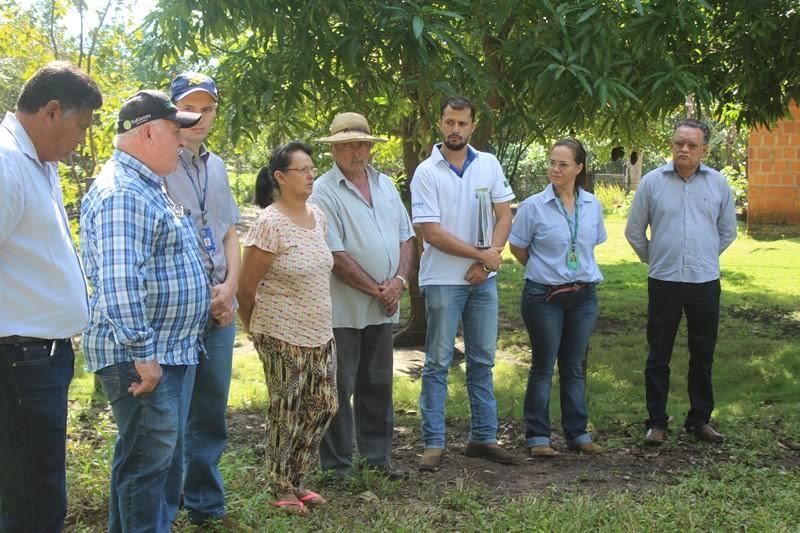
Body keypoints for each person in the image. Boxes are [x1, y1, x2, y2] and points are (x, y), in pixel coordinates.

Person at [80, 90, 210, 532]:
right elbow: (119, 281)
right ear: (150, 131)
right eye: (176, 132)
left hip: (163, 352)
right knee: (148, 470)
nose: (181, 142)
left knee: (147, 464)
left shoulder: (144, 185)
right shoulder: (123, 193)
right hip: (141, 358)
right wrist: (143, 353)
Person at [0, 61, 102, 533]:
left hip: (41, 357)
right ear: (52, 111)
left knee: (36, 491)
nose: (82, 139)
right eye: (81, 125)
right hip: (19, 359)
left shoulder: (39, 162)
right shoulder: (5, 163)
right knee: (34, 504)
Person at [410, 95, 516, 471]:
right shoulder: (426, 172)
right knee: (437, 363)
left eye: (462, 123)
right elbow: (432, 234)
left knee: (482, 362)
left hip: (482, 281)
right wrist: (480, 255)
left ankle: (484, 437)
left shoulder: (488, 163)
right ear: (440, 123)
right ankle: (433, 444)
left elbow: (505, 215)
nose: (455, 129)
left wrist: (488, 262)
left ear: (473, 125)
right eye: (449, 122)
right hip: (442, 280)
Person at [310, 112, 415, 479]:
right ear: (335, 149)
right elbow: (335, 255)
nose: (356, 151)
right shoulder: (322, 191)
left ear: (370, 146)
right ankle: (337, 466)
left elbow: (406, 237)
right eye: (348, 144)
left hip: (383, 305)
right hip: (343, 308)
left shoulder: (385, 184)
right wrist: (378, 290)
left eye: (361, 143)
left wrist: (399, 282)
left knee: (379, 382)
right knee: (339, 387)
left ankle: (377, 458)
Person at [237, 141, 337, 516]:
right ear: (280, 177)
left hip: (319, 331)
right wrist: (255, 330)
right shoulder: (269, 223)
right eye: (303, 170)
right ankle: (280, 484)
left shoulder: (318, 216)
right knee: (287, 409)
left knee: (325, 405)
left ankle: (295, 476)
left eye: (312, 168)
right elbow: (246, 290)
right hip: (280, 332)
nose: (311, 175)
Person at [625, 118, 737, 446]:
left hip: (704, 282)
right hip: (664, 282)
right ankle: (656, 423)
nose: (683, 149)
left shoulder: (718, 184)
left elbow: (728, 231)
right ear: (671, 145)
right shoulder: (651, 182)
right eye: (678, 143)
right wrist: (656, 257)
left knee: (702, 353)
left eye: (691, 145)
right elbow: (634, 231)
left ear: (704, 149)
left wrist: (702, 256)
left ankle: (699, 419)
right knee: (658, 355)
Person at [161, 72, 242, 528]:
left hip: (219, 305)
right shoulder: (159, 164)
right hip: (181, 308)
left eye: (208, 108)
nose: (200, 117)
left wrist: (230, 288)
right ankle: (164, 508)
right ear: (173, 111)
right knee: (171, 414)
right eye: (190, 108)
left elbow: (229, 229)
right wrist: (206, 293)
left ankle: (207, 504)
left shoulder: (217, 165)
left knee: (211, 409)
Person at [508, 138, 606, 458]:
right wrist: (545, 270)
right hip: (544, 296)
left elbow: (592, 245)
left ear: (579, 168)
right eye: (551, 162)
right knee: (543, 365)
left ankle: (577, 433)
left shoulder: (592, 205)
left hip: (583, 297)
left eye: (563, 164)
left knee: (574, 366)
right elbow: (518, 248)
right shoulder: (533, 206)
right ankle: (538, 436)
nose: (555, 169)